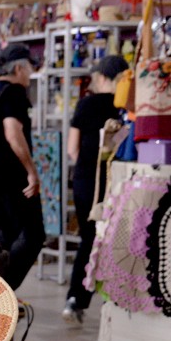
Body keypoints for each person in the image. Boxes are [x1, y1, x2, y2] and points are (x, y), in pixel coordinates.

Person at [63, 54, 129, 324]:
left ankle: (75, 300)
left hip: (86, 180)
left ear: (102, 77)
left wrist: (88, 168)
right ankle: (116, 304)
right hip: (119, 180)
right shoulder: (125, 109)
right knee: (118, 239)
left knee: (89, 238)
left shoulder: (86, 104)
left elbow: (72, 149)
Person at [0, 43, 44, 291]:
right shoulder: (14, 92)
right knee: (33, 234)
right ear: (18, 68)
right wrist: (31, 172)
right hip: (11, 176)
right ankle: (1, 294)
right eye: (29, 69)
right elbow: (13, 132)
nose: (31, 75)